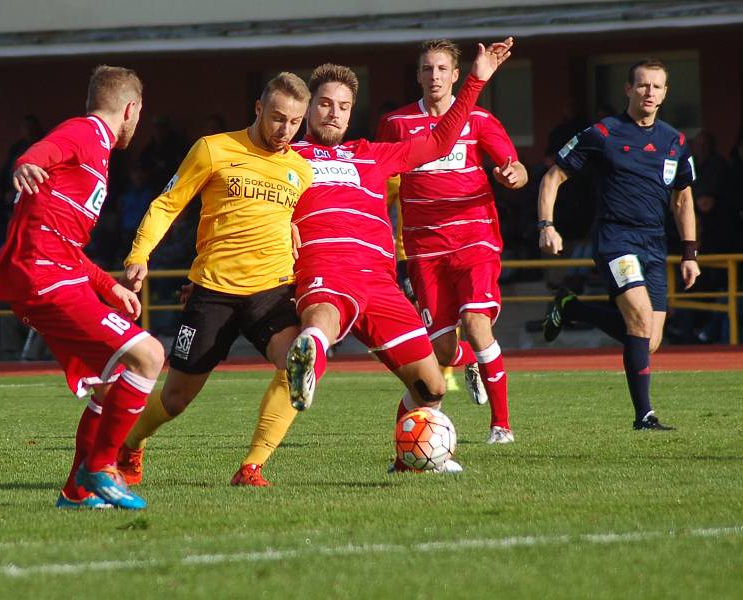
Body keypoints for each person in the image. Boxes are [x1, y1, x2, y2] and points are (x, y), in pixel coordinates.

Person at [284, 38, 513, 473]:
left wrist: (477, 79)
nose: (334, 113)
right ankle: (312, 348)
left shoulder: (371, 154)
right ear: (308, 108)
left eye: (344, 106)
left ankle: (406, 462)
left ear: (352, 112)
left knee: (430, 388)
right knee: (325, 316)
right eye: (325, 104)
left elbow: (441, 141)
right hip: (326, 268)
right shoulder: (286, 158)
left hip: (382, 283)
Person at [115, 72, 314, 487]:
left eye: (295, 122)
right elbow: (168, 204)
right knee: (176, 399)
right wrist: (139, 254)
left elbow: (300, 220)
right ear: (258, 109)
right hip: (214, 293)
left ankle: (252, 466)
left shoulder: (300, 168)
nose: (286, 130)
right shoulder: (213, 149)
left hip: (271, 291)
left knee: (298, 362)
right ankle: (130, 444)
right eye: (278, 118)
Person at [0, 65, 165, 510]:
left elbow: (64, 240)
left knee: (110, 389)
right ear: (130, 109)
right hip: (43, 277)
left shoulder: (97, 151)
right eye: (139, 114)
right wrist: (28, 162)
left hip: (52, 271)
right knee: (149, 356)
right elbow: (45, 150)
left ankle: (75, 494)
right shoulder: (85, 132)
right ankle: (102, 467)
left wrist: (108, 286)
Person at [376, 39, 528, 444]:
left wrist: (512, 174)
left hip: (474, 238)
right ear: (418, 76)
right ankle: (471, 362)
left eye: (442, 69)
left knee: (477, 325)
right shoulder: (397, 124)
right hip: (424, 249)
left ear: (456, 75)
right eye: (427, 69)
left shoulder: (479, 120)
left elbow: (516, 166)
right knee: (441, 351)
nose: (435, 77)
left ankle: (501, 427)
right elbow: (380, 175)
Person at [538, 57, 700, 430]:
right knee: (640, 321)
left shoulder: (674, 141)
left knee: (649, 339)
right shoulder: (603, 133)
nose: (649, 92)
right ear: (628, 89)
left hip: (655, 244)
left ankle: (572, 307)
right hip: (615, 239)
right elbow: (552, 177)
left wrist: (690, 253)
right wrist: (547, 224)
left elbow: (683, 200)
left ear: (665, 93)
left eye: (657, 86)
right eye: (642, 85)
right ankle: (644, 416)